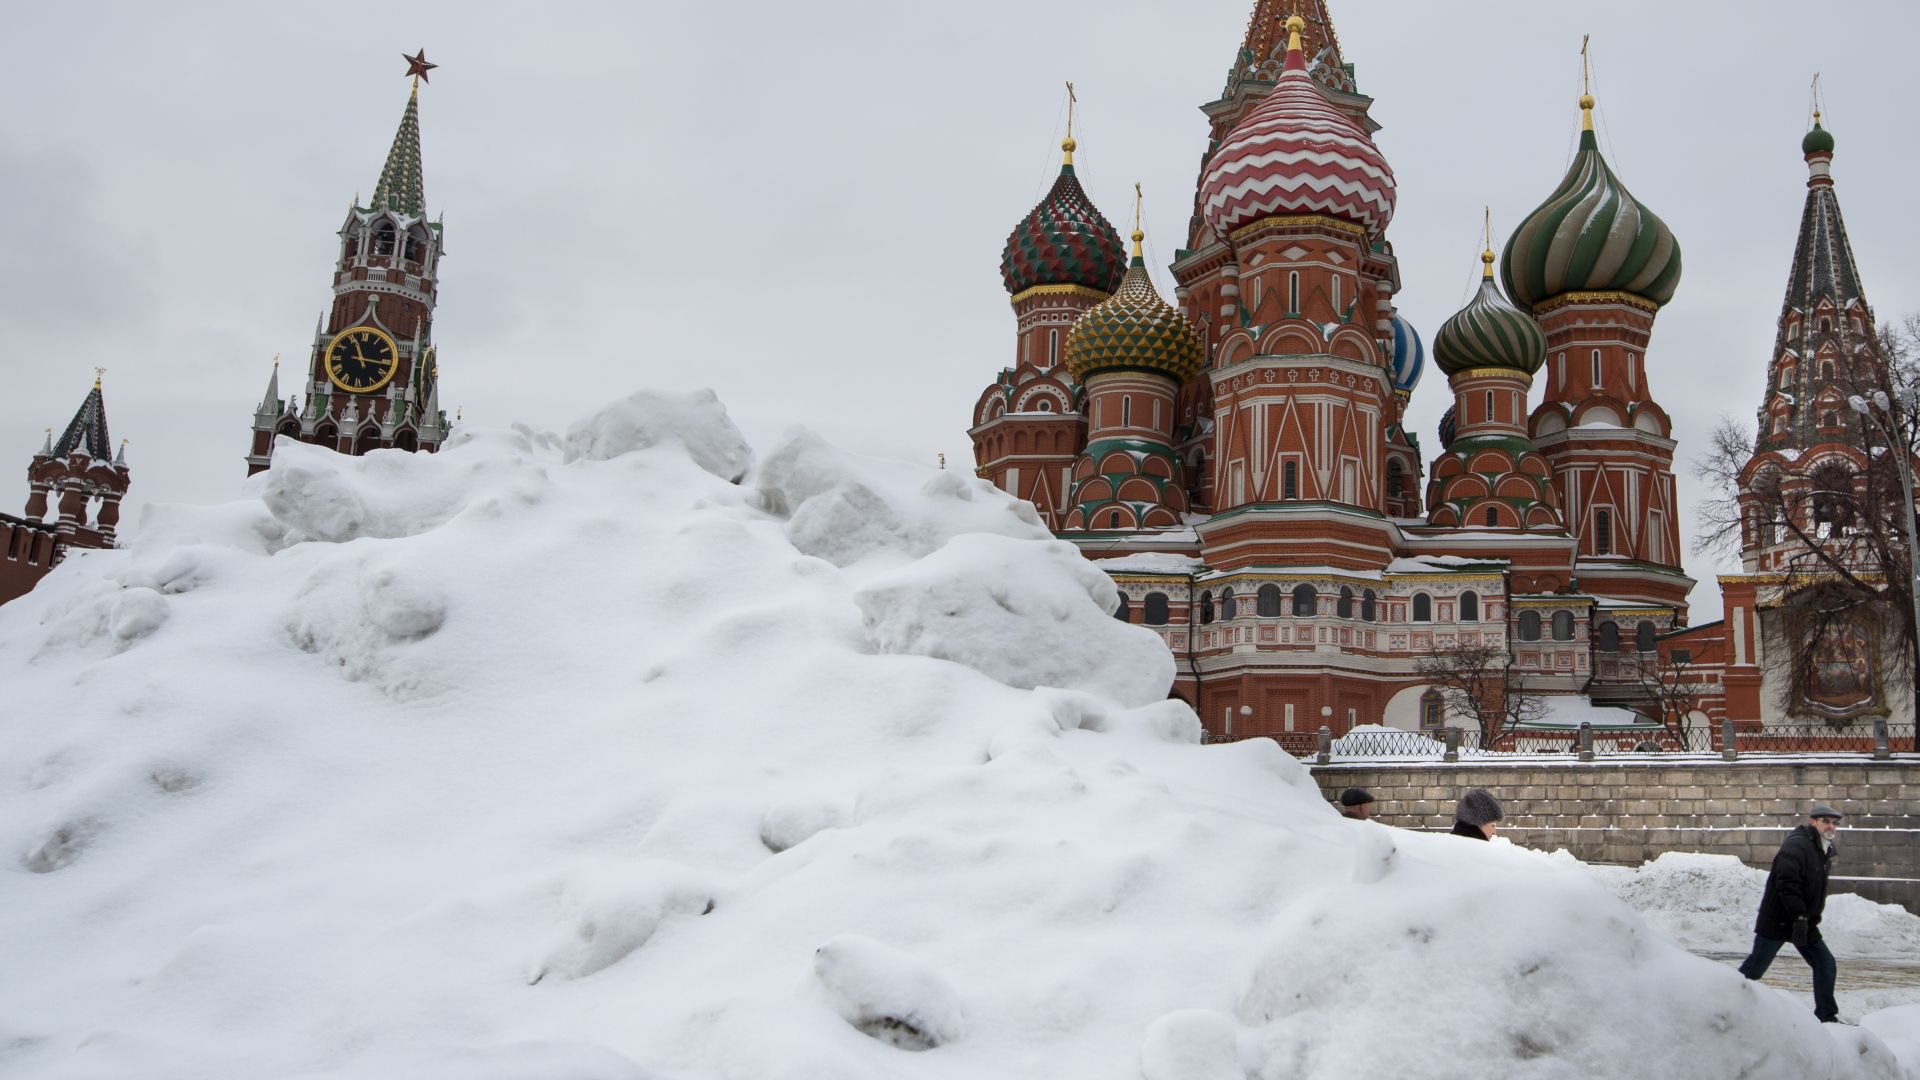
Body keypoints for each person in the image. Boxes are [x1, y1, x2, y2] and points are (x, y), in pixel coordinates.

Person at [1738, 805, 1843, 1023]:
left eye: (1834, 823)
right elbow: (1786, 883)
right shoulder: (1798, 845)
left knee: (1825, 964)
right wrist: (1799, 917)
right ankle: (1725, 997)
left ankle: (1827, 1016)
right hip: (1779, 920)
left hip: (1804, 923)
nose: (1831, 826)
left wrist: (1807, 920)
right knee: (1755, 969)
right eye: (1826, 821)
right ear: (1813, 822)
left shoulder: (1822, 849)